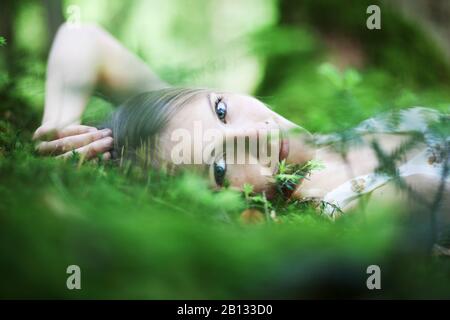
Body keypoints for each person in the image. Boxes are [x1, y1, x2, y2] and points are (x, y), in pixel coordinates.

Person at [33, 23, 449, 225]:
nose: (256, 135)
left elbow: (82, 37)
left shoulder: (184, 125)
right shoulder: (352, 206)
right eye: (219, 167)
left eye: (220, 111)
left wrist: (59, 125)